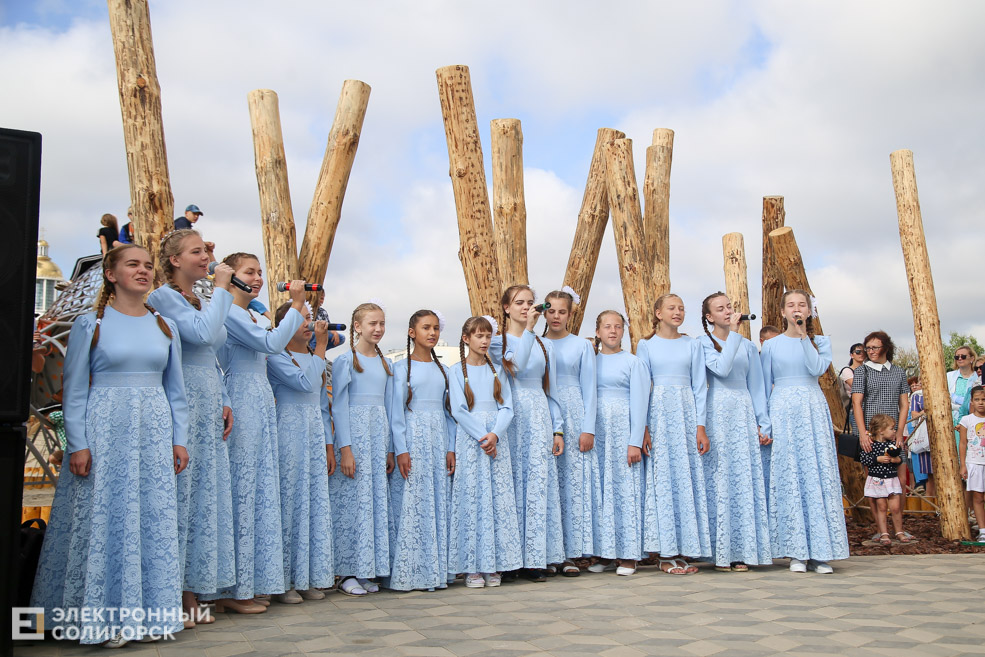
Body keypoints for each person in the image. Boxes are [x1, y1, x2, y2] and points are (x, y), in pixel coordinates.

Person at [31, 244, 189, 647]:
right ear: (111, 274)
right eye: (133, 264)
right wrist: (77, 444)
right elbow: (74, 391)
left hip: (153, 432)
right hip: (103, 430)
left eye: (148, 266)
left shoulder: (164, 325)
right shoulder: (90, 323)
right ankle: (98, 618)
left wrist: (179, 439)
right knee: (103, 517)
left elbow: (177, 392)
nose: (143, 271)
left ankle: (149, 616)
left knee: (148, 518)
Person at [199, 253, 306, 614]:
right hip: (240, 399)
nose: (258, 278)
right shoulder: (227, 310)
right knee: (241, 490)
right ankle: (231, 587)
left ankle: (255, 579)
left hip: (261, 400)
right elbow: (272, 344)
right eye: (249, 272)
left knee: (259, 489)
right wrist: (297, 304)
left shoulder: (254, 315)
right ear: (230, 276)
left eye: (260, 272)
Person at [148, 230, 236, 626]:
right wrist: (221, 287)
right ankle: (167, 594)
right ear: (174, 260)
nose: (205, 256)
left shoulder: (203, 299)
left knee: (203, 499)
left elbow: (214, 351)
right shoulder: (163, 298)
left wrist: (225, 398)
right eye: (196, 251)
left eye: (206, 250)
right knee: (179, 497)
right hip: (181, 397)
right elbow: (199, 334)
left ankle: (193, 592)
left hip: (209, 399)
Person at [761, 289, 848, 574]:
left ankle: (821, 552)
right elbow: (764, 385)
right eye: (790, 305)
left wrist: (803, 337)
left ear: (808, 311)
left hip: (811, 407)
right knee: (790, 476)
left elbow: (815, 368)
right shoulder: (771, 346)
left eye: (801, 305)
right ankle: (795, 550)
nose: (796, 309)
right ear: (783, 311)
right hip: (783, 408)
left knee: (815, 473)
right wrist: (764, 422)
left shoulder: (820, 343)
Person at [491, 285, 564, 582]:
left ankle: (535, 558)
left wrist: (558, 428)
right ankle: (509, 560)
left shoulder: (547, 346)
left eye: (530, 303)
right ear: (506, 308)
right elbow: (516, 366)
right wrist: (531, 332)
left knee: (535, 483)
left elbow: (551, 389)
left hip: (537, 415)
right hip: (509, 413)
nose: (526, 308)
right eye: (519, 303)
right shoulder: (495, 343)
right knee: (511, 484)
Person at [635, 293, 710, 575]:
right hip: (658, 416)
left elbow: (700, 386)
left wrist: (700, 426)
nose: (677, 312)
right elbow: (643, 387)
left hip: (686, 414)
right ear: (658, 313)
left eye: (681, 308)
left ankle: (685, 548)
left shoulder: (693, 345)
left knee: (686, 478)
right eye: (671, 308)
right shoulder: (646, 346)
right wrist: (642, 427)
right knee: (662, 479)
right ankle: (664, 553)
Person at [699, 292, 772, 572]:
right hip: (717, 409)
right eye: (721, 308)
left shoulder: (748, 346)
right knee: (720, 479)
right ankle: (718, 551)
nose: (728, 311)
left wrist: (762, 422)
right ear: (710, 317)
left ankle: (742, 549)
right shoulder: (704, 343)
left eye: (730, 306)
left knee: (742, 479)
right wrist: (732, 336)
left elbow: (757, 387)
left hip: (742, 410)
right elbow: (721, 368)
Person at [266, 304, 335, 603]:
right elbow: (304, 382)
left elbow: (321, 403)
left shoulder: (313, 355)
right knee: (289, 501)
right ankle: (283, 580)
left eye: (311, 319)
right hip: (287, 429)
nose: (310, 324)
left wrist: (328, 443)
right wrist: (321, 345)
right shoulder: (276, 355)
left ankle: (307, 575)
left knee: (312, 502)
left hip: (313, 430)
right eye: (303, 319)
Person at [385, 310, 456, 592]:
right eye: (426, 327)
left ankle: (436, 570)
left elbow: (450, 414)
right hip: (413, 438)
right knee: (412, 501)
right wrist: (400, 449)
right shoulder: (400, 369)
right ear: (412, 332)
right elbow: (396, 413)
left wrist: (451, 447)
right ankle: (409, 570)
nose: (432, 333)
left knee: (436, 500)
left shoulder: (445, 371)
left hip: (438, 437)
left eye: (436, 328)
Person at [448, 316, 522, 587]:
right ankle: (472, 566)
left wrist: (495, 434)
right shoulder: (456, 370)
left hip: (496, 440)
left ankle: (495, 564)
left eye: (488, 336)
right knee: (473, 500)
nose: (484, 341)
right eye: (479, 336)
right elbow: (458, 409)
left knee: (497, 500)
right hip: (472, 441)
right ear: (466, 339)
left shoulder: (497, 370)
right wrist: (482, 436)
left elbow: (507, 407)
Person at [330, 302, 394, 596]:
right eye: (372, 323)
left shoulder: (386, 364)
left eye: (381, 323)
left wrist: (390, 448)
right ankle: (346, 572)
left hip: (377, 435)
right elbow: (339, 406)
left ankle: (366, 567)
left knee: (372, 502)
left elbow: (390, 408)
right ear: (357, 326)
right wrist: (345, 448)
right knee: (352, 502)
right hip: (355, 436)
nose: (378, 329)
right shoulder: (346, 361)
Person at [542, 288, 600, 575]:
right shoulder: (537, 343)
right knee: (549, 483)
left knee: (573, 484)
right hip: (545, 414)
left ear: (570, 314)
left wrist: (587, 428)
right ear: (543, 311)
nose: (556, 316)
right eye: (550, 310)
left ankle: (573, 551)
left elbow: (590, 389)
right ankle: (549, 550)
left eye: (562, 311)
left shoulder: (581, 346)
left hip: (575, 413)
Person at [588, 311, 648, 576]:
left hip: (623, 429)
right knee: (601, 491)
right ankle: (605, 552)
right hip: (597, 431)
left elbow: (640, 402)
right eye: (606, 327)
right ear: (598, 331)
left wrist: (635, 440)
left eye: (617, 327)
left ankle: (628, 555)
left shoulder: (634, 362)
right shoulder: (590, 361)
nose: (612, 331)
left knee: (624, 490)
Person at [852, 331, 911, 502]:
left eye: (874, 347)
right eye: (867, 348)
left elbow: (905, 404)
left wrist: (899, 432)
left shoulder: (899, 372)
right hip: (871, 434)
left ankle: (899, 528)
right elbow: (856, 403)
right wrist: (863, 434)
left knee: (901, 480)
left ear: (885, 347)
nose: (870, 351)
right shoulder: (862, 371)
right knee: (874, 482)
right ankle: (881, 528)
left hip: (893, 433)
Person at [859, 414, 909, 546]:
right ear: (881, 430)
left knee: (895, 507)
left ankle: (899, 531)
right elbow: (864, 459)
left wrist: (895, 460)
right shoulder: (870, 445)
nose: (894, 431)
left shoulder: (893, 445)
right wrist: (877, 459)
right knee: (881, 507)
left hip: (892, 480)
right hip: (878, 480)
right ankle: (884, 533)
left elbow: (900, 460)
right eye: (892, 428)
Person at [958, 386, 985, 542]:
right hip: (974, 463)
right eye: (977, 400)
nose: (980, 403)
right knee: (978, 497)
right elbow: (963, 443)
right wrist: (963, 465)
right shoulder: (966, 420)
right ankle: (982, 530)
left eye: (983, 399)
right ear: (972, 401)